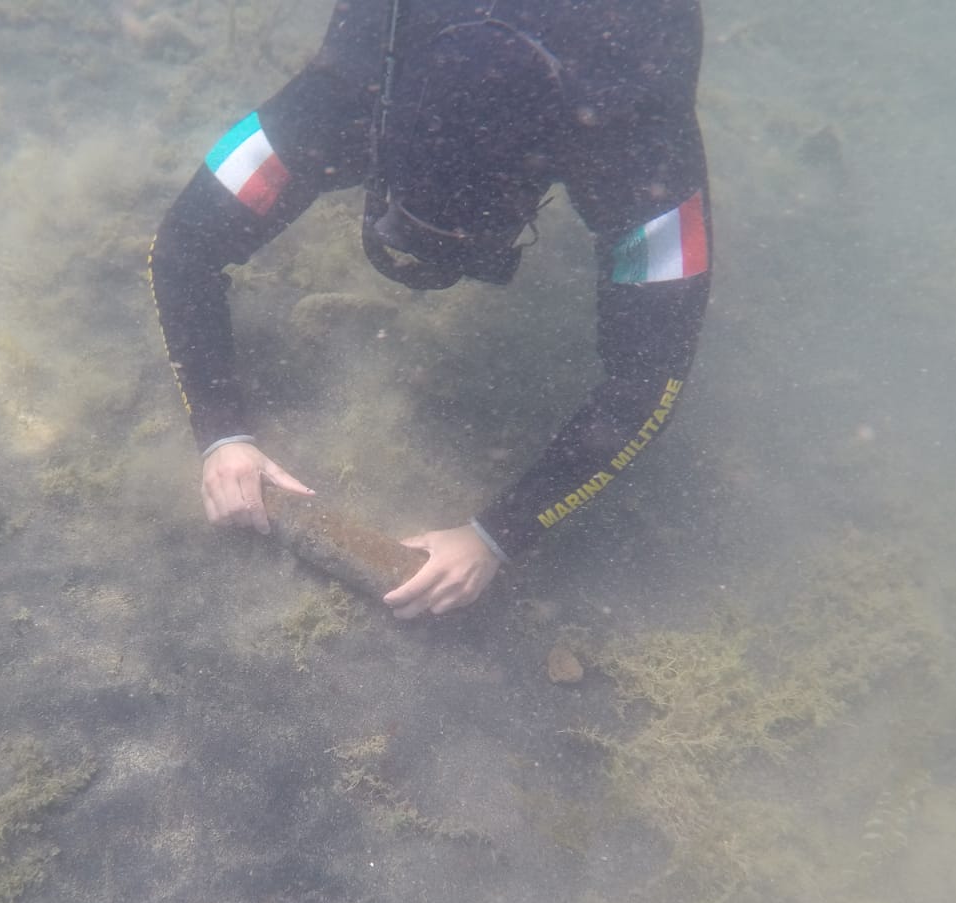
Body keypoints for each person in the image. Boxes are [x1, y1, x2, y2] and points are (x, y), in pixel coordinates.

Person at [149, 0, 710, 618]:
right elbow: (182, 251)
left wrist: (498, 534)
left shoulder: (635, 142)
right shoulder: (347, 91)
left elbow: (650, 379)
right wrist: (220, 432)